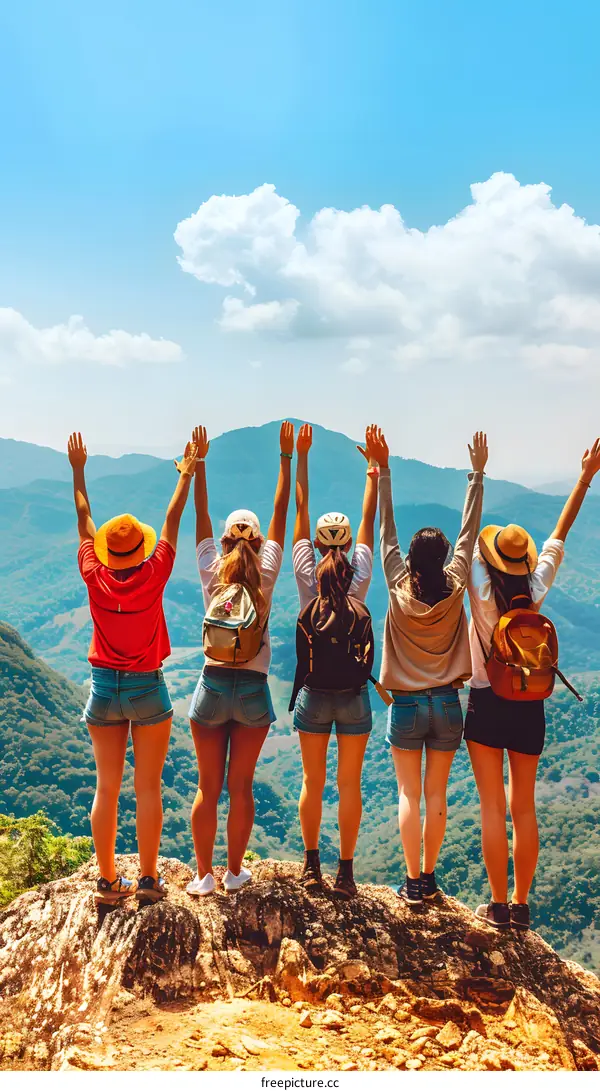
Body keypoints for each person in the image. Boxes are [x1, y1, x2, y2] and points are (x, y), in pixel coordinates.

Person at [466, 438, 600, 932]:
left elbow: (469, 543)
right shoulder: (536, 589)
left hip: (485, 698)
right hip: (529, 700)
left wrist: (477, 474)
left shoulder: (481, 590)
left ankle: (497, 905)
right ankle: (521, 907)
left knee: (491, 808)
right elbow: (558, 537)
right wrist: (585, 476)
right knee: (524, 806)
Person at [69, 431, 197, 905]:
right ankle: (147, 881)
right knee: (148, 787)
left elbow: (84, 520)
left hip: (103, 689)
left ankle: (106, 883)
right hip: (148, 689)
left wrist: (78, 469)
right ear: (140, 550)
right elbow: (171, 518)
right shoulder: (156, 571)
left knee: (107, 787)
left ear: (106, 551)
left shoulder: (93, 574)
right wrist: (186, 473)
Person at [369, 425, 488, 906]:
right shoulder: (456, 582)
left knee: (408, 795)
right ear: (442, 560)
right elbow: (469, 533)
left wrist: (384, 472)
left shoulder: (398, 583)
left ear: (410, 560)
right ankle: (431, 878)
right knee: (436, 795)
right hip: (449, 704)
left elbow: (385, 530)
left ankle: (412, 881)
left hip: (406, 707)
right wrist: (476, 475)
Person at [186, 421, 294, 897]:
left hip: (210, 687)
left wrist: (199, 465)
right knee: (241, 788)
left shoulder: (212, 573)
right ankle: (234, 873)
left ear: (227, 542)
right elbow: (280, 513)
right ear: (256, 543)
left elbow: (201, 517)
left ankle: (203, 876)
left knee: (207, 788)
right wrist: (287, 460)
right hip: (252, 691)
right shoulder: (266, 576)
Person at [290, 423, 379, 899]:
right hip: (355, 697)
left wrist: (301, 458)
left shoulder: (307, 575)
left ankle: (311, 867)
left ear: (320, 545)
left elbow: (299, 516)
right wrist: (374, 470)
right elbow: (369, 523)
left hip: (313, 695)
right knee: (350, 785)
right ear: (345, 546)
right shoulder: (359, 578)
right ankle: (346, 872)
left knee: (312, 781)